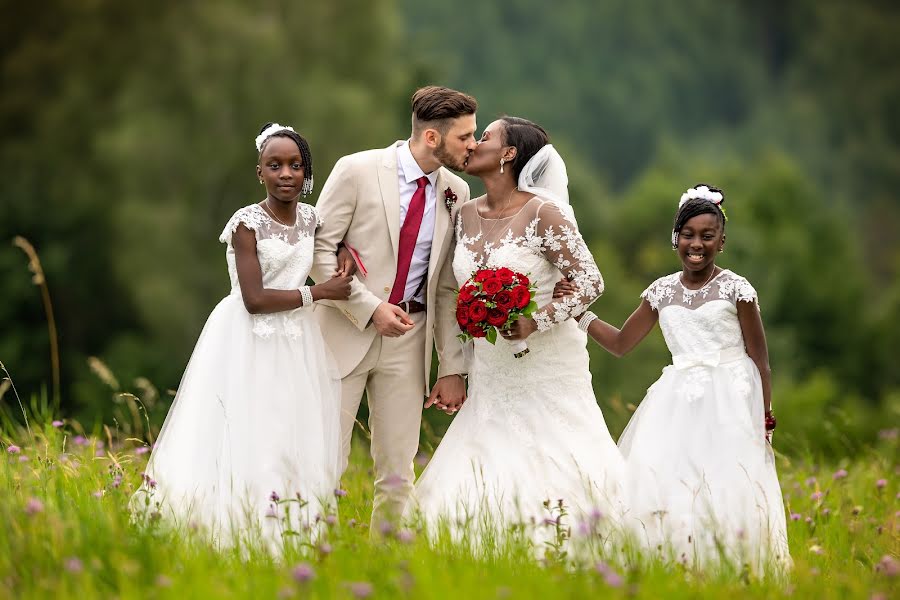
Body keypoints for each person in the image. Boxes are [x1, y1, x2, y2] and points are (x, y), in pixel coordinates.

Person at [132, 123, 353, 550]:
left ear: (306, 172)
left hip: (297, 341)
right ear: (260, 172)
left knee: (291, 430)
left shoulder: (310, 218)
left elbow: (331, 240)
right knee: (250, 428)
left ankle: (291, 530)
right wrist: (320, 292)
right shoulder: (246, 224)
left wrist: (344, 251)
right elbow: (254, 299)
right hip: (250, 338)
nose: (285, 173)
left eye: (294, 165)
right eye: (275, 166)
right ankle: (235, 527)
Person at [410, 117, 626, 549]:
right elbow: (453, 290)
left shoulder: (543, 212)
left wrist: (535, 319)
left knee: (557, 455)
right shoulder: (465, 213)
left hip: (545, 363)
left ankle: (569, 542)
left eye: (484, 137)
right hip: (490, 368)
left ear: (509, 154)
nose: (473, 144)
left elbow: (590, 281)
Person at [559, 184, 790, 572]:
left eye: (707, 236)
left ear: (721, 241)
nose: (696, 244)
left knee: (727, 482)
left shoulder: (737, 290)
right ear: (675, 238)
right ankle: (677, 564)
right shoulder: (661, 292)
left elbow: (760, 360)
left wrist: (764, 417)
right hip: (676, 400)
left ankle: (734, 566)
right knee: (668, 480)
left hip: (731, 399)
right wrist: (578, 312)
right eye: (688, 234)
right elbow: (620, 343)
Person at [309, 86, 477, 528]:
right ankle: (311, 551)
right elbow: (318, 250)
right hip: (342, 331)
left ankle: (386, 566)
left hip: (411, 338)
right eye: (465, 137)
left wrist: (452, 365)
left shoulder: (456, 191)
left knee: (399, 469)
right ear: (433, 139)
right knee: (327, 455)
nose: (473, 146)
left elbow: (444, 287)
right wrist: (368, 308)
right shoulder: (357, 170)